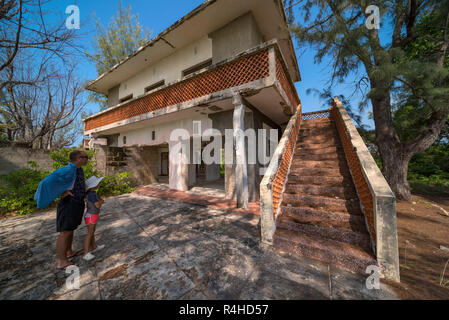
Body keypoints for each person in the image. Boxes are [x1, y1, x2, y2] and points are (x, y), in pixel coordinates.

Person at [55, 150, 88, 269]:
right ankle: (62, 261)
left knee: (71, 228)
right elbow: (51, 181)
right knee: (65, 232)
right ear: (79, 158)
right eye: (85, 157)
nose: (87, 159)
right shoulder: (68, 169)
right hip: (68, 203)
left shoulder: (79, 169)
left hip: (77, 203)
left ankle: (69, 252)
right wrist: (61, 191)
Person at [82, 176, 105, 261]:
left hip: (92, 215)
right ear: (93, 185)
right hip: (91, 216)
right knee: (90, 233)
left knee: (92, 232)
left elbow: (99, 201)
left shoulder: (92, 193)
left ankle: (94, 246)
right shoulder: (92, 195)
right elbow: (98, 205)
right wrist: (101, 201)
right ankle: (86, 253)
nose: (99, 184)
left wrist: (100, 200)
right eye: (98, 182)